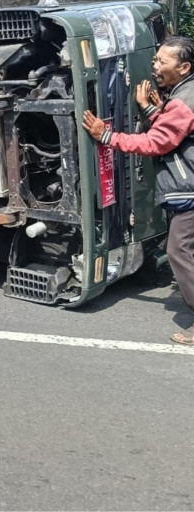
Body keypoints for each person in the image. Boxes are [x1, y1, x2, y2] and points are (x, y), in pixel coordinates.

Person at [83, 36, 194, 345]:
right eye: (155, 59)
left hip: (190, 192)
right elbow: (175, 133)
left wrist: (106, 135)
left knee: (178, 252)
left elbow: (156, 143)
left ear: (184, 67)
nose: (154, 66)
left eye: (162, 61)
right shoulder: (182, 95)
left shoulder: (184, 99)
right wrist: (150, 111)